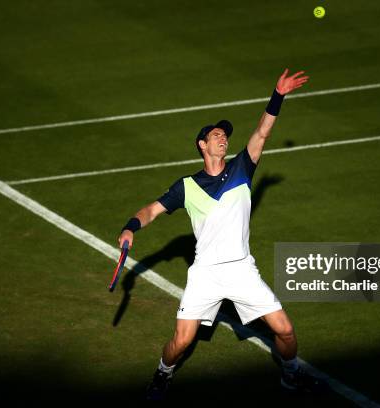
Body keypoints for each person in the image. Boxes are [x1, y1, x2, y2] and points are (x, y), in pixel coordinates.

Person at [118, 69, 321, 400]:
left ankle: (291, 374)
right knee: (182, 341)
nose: (223, 138)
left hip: (241, 268)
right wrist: (130, 226)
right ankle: (162, 374)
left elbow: (262, 133)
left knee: (284, 329)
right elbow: (151, 210)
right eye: (216, 135)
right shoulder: (186, 186)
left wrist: (278, 95)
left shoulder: (242, 167)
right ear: (202, 144)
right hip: (206, 274)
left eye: (225, 135)